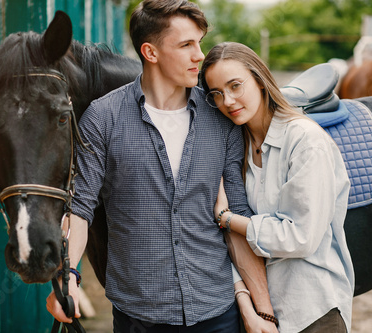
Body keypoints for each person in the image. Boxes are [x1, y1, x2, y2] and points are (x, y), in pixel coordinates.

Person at [47, 1, 279, 332]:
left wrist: (263, 313)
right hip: (138, 316)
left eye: (199, 42)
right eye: (186, 45)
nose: (200, 55)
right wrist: (67, 275)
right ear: (150, 53)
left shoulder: (222, 120)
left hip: (217, 313)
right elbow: (80, 211)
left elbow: (237, 222)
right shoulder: (102, 118)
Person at [201, 42, 355, 332]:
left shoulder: (305, 140)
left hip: (312, 309)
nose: (228, 101)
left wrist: (227, 219)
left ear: (259, 79)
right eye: (217, 94)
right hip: (264, 310)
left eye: (235, 86)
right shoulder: (237, 145)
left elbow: (300, 236)